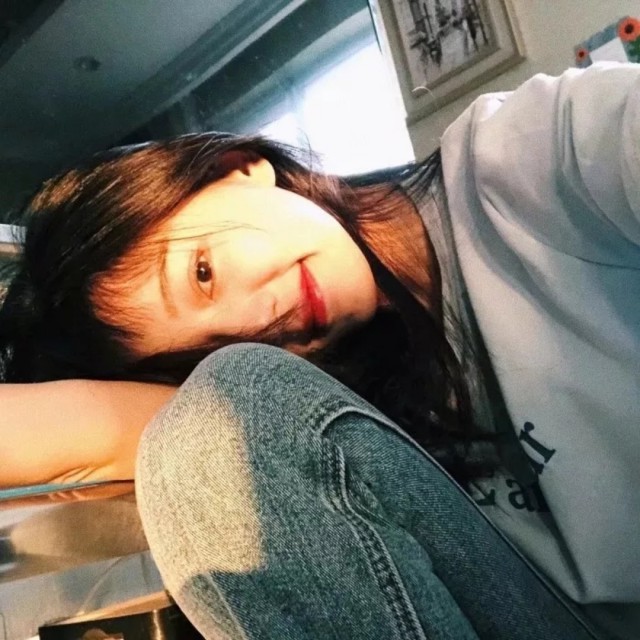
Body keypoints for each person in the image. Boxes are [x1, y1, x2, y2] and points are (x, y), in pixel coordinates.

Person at [0, 62, 638, 638]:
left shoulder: (527, 163)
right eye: (209, 351)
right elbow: (114, 427)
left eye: (202, 273)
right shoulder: (325, 413)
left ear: (235, 168)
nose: (259, 322)